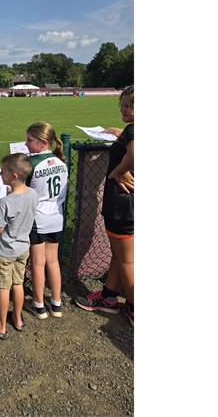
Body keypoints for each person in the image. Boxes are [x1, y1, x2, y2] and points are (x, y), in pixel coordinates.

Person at [75, 85, 135, 327]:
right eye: (122, 103)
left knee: (128, 260)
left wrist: (119, 171)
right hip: (130, 204)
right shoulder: (129, 131)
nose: (123, 108)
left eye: (129, 105)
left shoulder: (132, 131)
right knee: (123, 256)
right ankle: (109, 298)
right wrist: (120, 133)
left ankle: (132, 308)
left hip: (122, 204)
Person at [0, 153, 39, 340]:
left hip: (5, 251)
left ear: (13, 176)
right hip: (23, 247)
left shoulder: (5, 202)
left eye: (2, 171)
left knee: (3, 287)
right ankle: (17, 319)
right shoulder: (33, 194)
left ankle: (1, 325)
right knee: (18, 284)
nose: (0, 174)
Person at [23, 122, 69, 320]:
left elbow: (23, 192)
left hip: (37, 220)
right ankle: (56, 304)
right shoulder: (61, 162)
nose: (25, 144)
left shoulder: (30, 164)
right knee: (53, 261)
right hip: (56, 219)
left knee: (38, 264)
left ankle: (39, 305)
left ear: (43, 142)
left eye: (29, 140)